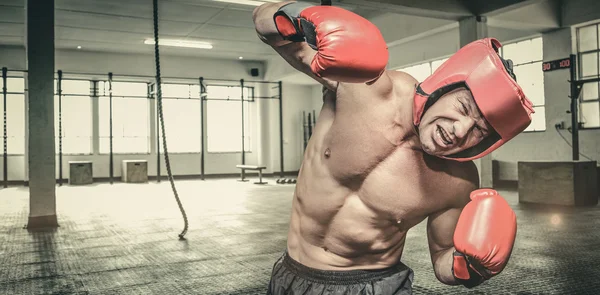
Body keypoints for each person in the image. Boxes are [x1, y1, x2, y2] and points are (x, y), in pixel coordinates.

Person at [253, 1, 534, 294]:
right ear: (444, 86)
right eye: (463, 107)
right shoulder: (369, 87)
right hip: (291, 275)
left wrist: (469, 268)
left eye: (479, 130)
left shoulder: (457, 181)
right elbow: (264, 24)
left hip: (373, 286)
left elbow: (442, 257)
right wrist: (297, 18)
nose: (460, 130)